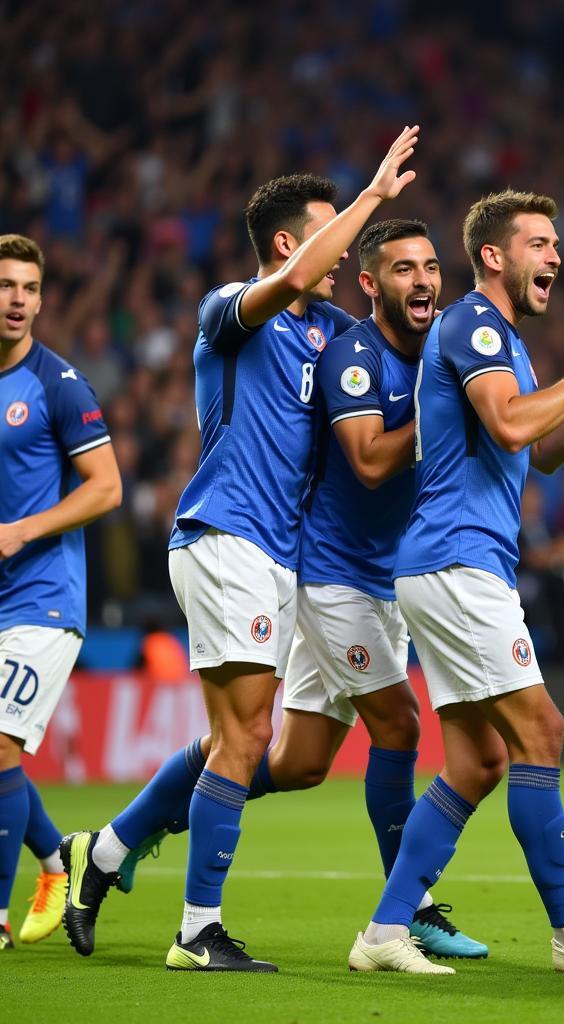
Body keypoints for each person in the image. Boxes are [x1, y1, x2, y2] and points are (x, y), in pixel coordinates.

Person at [66, 218, 486, 962]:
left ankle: (109, 845)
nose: (421, 280)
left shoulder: (337, 329)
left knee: (293, 761)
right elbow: (362, 448)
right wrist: (374, 194)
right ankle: (367, 913)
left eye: (429, 267)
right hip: (248, 542)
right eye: (397, 266)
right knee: (379, 728)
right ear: (294, 244)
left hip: (303, 562)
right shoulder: (234, 306)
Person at [348, 188, 564, 976]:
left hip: (454, 565)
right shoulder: (472, 323)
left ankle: (386, 931)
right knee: (543, 733)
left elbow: (544, 451)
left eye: (556, 245)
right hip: (457, 562)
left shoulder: (508, 346)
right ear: (494, 255)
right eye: (539, 244)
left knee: (478, 764)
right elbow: (514, 424)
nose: (555, 256)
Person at [0, 234, 122, 950]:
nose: (16, 299)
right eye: (5, 285)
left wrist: (20, 531)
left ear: (42, 300)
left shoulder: (59, 383)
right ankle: (58, 857)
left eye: (27, 288)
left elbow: (106, 487)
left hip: (44, 598)